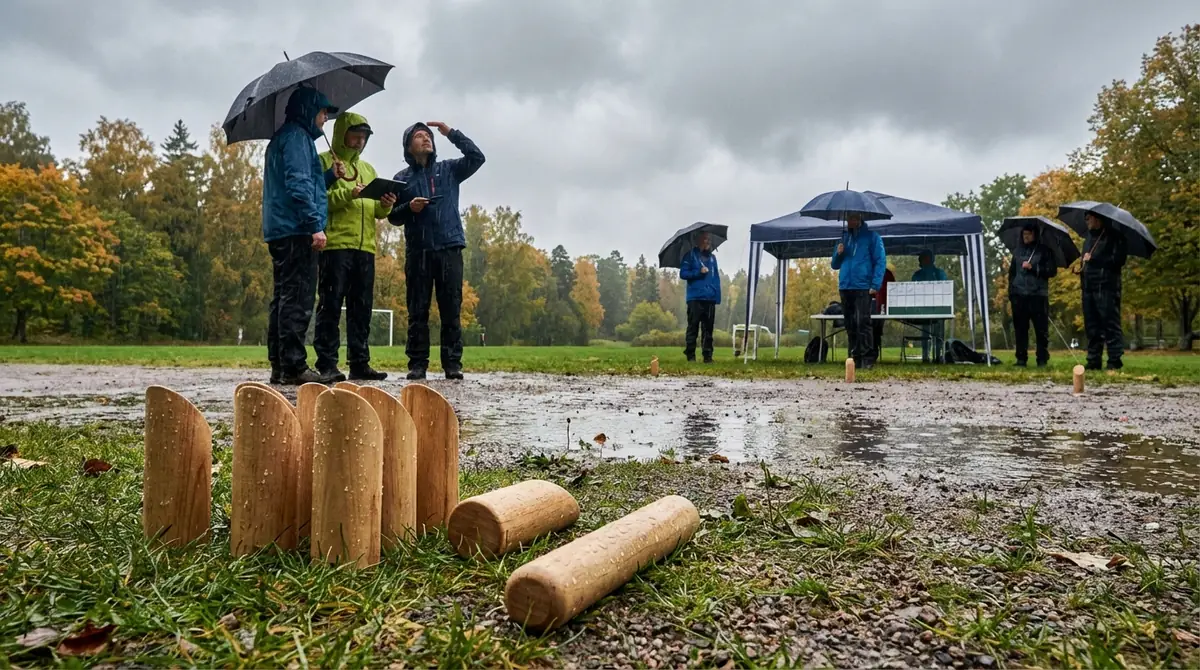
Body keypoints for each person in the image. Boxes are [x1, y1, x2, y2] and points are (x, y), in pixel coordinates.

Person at [387, 121, 485, 380]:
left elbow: (477, 157)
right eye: (419, 136)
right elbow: (393, 217)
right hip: (418, 251)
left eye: (428, 136)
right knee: (417, 310)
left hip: (449, 246)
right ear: (409, 146)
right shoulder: (401, 179)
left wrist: (450, 133)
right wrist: (409, 208)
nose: (426, 139)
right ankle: (417, 364)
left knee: (451, 309)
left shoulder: (450, 169)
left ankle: (452, 364)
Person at [263, 87, 343, 386]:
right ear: (310, 110)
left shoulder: (284, 138)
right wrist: (314, 225)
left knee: (283, 299)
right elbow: (297, 186)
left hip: (281, 228)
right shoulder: (297, 139)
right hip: (296, 229)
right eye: (323, 113)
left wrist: (330, 177)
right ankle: (294, 366)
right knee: (297, 299)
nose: (325, 119)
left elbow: (303, 184)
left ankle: (280, 365)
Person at [313, 112, 397, 382]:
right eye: (355, 135)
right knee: (331, 306)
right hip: (335, 246)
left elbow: (376, 212)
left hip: (366, 249)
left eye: (364, 137)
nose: (360, 141)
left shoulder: (369, 170)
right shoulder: (325, 162)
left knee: (362, 309)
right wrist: (349, 193)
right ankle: (327, 363)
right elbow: (318, 200)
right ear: (341, 135)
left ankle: (360, 362)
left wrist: (386, 202)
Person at [830, 214, 886, 369]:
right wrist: (838, 253)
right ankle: (854, 357)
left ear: (860, 219)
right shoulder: (843, 238)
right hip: (845, 286)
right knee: (850, 323)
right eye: (848, 219)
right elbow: (834, 265)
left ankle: (867, 358)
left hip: (863, 286)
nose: (850, 221)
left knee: (863, 322)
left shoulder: (872, 237)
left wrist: (875, 284)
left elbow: (880, 261)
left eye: (853, 218)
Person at [1081, 212, 1128, 370]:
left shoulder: (1115, 237)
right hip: (1088, 286)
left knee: (1110, 323)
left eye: (1089, 218)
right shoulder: (1088, 239)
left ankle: (1114, 359)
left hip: (1107, 286)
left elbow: (1118, 260)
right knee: (1092, 325)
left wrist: (1094, 259)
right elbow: (1086, 260)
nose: (1086, 221)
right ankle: (1094, 359)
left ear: (1098, 219)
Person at [1008, 222, 1057, 367]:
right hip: (1019, 295)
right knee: (1020, 329)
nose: (1026, 237)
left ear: (1035, 235)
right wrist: (1011, 291)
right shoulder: (1017, 252)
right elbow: (1012, 273)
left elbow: (1052, 271)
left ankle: (1042, 358)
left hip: (1038, 295)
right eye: (1024, 234)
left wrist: (1034, 267)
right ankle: (1021, 358)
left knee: (1041, 330)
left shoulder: (1045, 251)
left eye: (1029, 234)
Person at [679, 232, 721, 363]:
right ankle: (690, 355)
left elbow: (716, 278)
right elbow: (683, 274)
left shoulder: (713, 258)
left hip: (710, 298)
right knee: (693, 327)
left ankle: (707, 356)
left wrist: (717, 296)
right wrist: (698, 272)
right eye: (705, 239)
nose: (708, 242)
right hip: (695, 298)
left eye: (709, 240)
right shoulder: (690, 256)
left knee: (708, 329)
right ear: (698, 241)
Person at [911, 249, 948, 363]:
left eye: (926, 258)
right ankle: (925, 357)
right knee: (926, 333)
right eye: (922, 258)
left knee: (938, 334)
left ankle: (938, 356)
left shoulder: (939, 273)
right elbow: (913, 290)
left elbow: (945, 288)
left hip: (938, 308)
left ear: (931, 259)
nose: (923, 260)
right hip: (923, 309)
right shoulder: (917, 275)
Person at [872, 262, 896, 361]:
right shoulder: (868, 272)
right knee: (872, 330)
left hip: (882, 306)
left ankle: (874, 352)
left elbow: (893, 289)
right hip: (872, 306)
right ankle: (872, 352)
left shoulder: (887, 274)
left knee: (876, 330)